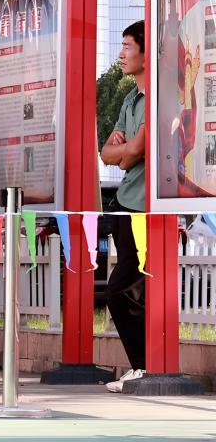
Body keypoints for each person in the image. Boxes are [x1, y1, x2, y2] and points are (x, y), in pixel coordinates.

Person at [101, 20, 147, 393]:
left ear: (146, 53)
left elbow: (132, 152)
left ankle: (145, 365)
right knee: (125, 290)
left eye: (128, 46)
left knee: (121, 289)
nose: (121, 54)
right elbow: (107, 152)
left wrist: (124, 151)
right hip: (124, 203)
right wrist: (123, 151)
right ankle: (142, 366)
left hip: (146, 209)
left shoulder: (157, 98)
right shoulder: (130, 98)